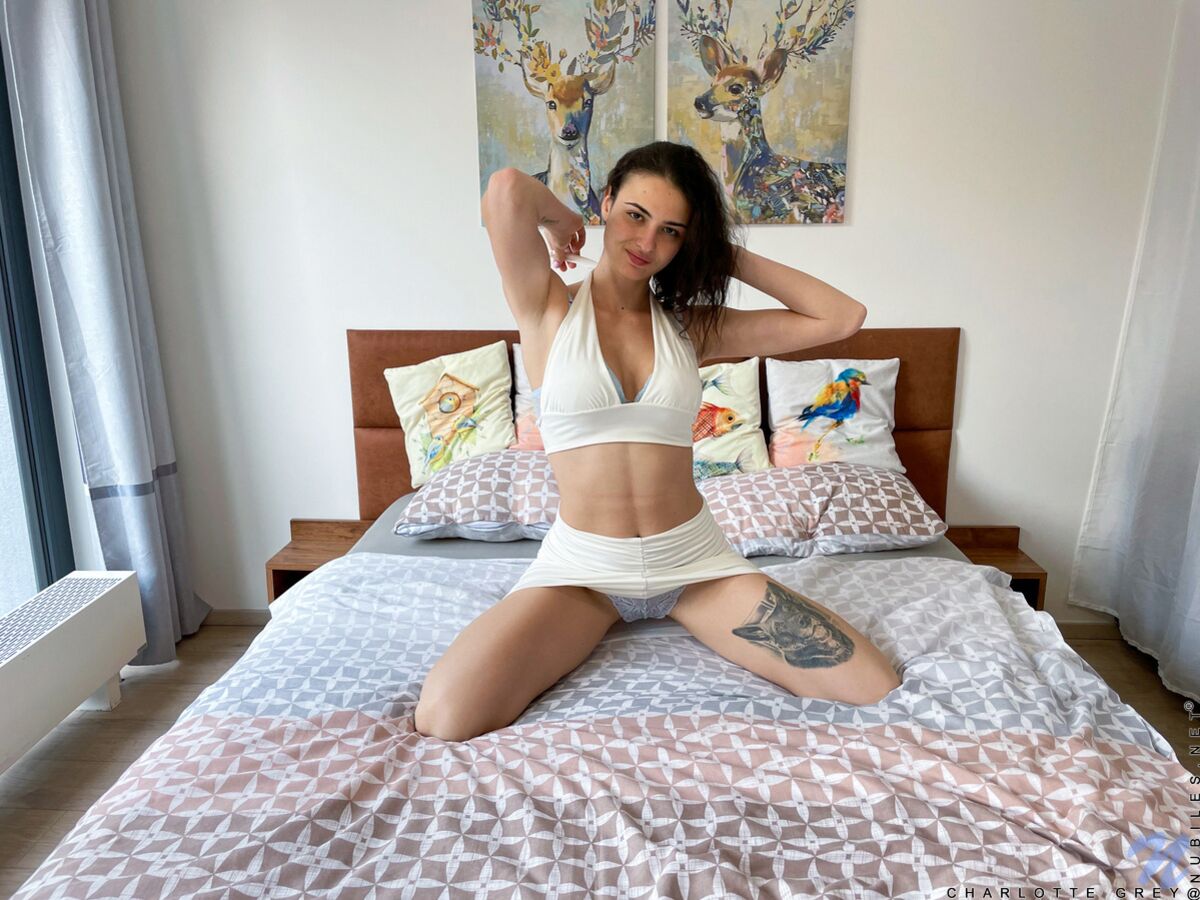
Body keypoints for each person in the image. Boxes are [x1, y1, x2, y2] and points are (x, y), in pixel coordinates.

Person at [414, 141, 900, 742]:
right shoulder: (546, 310)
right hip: (583, 576)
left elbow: (842, 317)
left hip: (696, 569)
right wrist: (562, 222)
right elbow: (506, 190)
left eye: (671, 231)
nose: (647, 242)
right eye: (635, 215)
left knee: (873, 686)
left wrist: (721, 253)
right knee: (445, 717)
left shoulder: (690, 328)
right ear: (608, 202)